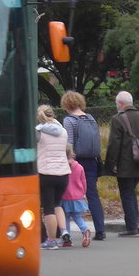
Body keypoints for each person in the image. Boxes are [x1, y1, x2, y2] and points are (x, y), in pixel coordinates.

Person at [105, 90, 139, 237]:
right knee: (131, 192)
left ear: (120, 104)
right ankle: (136, 223)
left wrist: (111, 164)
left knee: (127, 194)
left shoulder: (117, 119)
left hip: (124, 164)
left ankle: (132, 227)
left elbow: (114, 145)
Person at [61, 90, 106, 241]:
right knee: (93, 194)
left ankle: (64, 229)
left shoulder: (69, 120)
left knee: (69, 194)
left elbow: (69, 143)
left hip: (76, 162)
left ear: (66, 104)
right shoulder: (91, 118)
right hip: (92, 161)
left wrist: (68, 160)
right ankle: (100, 229)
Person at [35, 104, 71, 250]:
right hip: (63, 173)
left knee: (48, 208)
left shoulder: (38, 132)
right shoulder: (63, 131)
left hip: (46, 173)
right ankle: (64, 230)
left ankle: (50, 240)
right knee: (57, 204)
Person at [61, 144, 93, 247]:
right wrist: (83, 193)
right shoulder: (79, 167)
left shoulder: (61, 167)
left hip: (65, 196)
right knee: (77, 217)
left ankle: (67, 239)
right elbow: (84, 182)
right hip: (77, 197)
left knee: (65, 218)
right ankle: (85, 230)